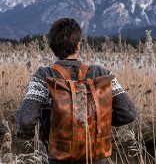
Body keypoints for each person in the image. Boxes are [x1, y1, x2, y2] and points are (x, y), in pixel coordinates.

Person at [15, 18, 138, 163]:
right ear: (79, 45)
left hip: (57, 158)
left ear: (52, 47)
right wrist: (98, 121)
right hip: (97, 158)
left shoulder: (44, 76)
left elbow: (25, 120)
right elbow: (129, 113)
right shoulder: (102, 74)